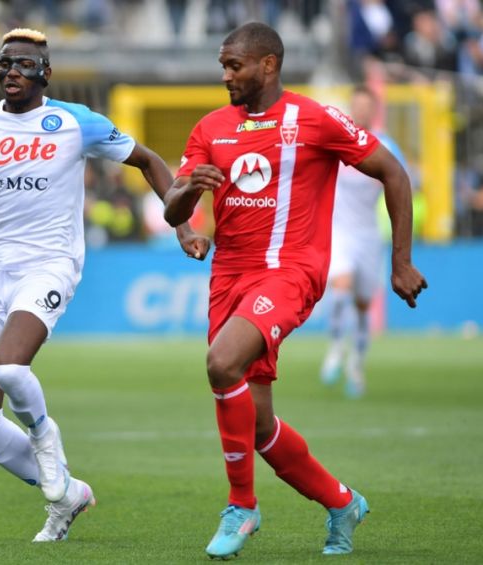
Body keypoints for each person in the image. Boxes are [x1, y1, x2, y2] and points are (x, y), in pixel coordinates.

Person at [0, 28, 205, 542]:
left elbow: (151, 162)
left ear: (44, 72)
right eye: (4, 64)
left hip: (50, 265)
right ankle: (66, 494)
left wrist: (183, 226)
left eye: (22, 64)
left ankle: (47, 443)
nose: (11, 72)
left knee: (12, 366)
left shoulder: (75, 123)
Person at [163, 22, 427, 559]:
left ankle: (242, 506)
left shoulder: (315, 119)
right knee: (257, 427)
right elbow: (174, 208)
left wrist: (401, 261)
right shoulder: (211, 128)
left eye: (234, 65)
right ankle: (342, 502)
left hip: (291, 271)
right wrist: (189, 190)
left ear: (268, 64)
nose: (225, 75)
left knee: (220, 363)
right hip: (229, 276)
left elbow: (393, 173)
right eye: (223, 64)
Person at [320, 85, 408, 399]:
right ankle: (334, 350)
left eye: (366, 106)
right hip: (339, 232)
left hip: (369, 235)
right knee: (340, 289)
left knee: (361, 306)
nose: (360, 111)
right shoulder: (337, 142)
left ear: (374, 110)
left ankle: (356, 365)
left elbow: (402, 182)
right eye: (355, 105)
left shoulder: (385, 147)